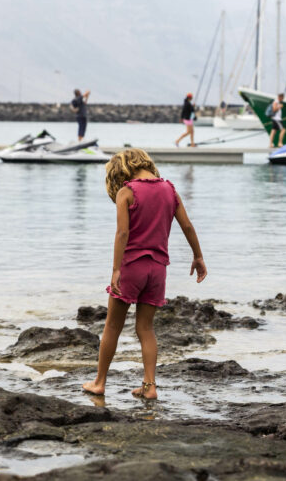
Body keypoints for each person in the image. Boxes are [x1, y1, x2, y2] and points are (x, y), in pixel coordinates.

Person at [83, 149, 207, 400]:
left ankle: (99, 382)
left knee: (112, 326)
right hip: (158, 270)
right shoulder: (169, 189)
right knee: (146, 329)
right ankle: (150, 387)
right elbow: (187, 225)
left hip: (132, 267)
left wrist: (116, 269)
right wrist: (198, 256)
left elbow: (122, 234)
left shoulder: (126, 191)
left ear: (121, 169)